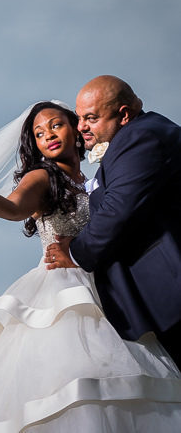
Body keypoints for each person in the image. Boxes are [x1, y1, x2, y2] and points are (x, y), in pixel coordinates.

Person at [0, 101, 181, 432]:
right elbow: (13, 207)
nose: (48, 136)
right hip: (64, 290)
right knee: (75, 380)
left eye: (56, 125)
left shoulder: (95, 178)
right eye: (39, 133)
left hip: (106, 284)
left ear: (76, 129)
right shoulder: (42, 176)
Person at [44, 76, 181, 367]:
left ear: (124, 115)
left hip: (171, 286)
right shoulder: (144, 132)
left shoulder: (139, 137)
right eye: (80, 117)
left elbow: (119, 209)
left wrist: (74, 252)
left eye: (91, 118)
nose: (81, 127)